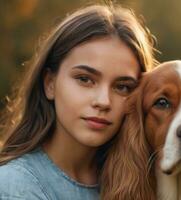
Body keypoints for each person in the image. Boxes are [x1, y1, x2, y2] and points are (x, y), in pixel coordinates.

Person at [0, 4, 157, 199]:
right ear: (50, 83)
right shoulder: (16, 186)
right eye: (85, 79)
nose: (103, 101)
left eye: (122, 87)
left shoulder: (144, 183)